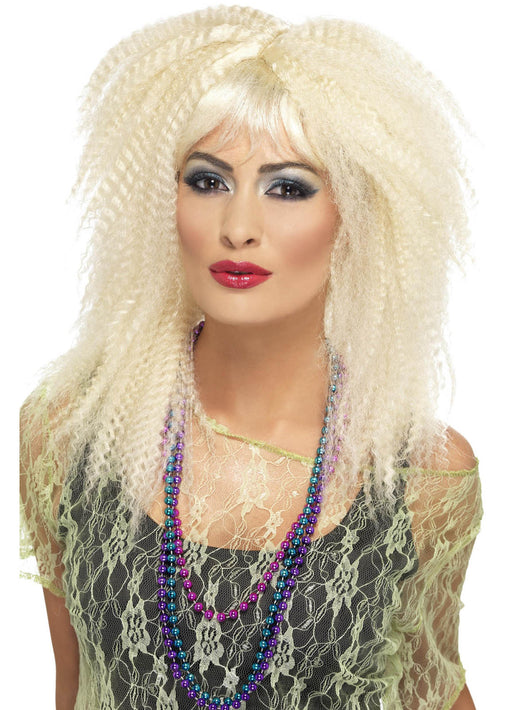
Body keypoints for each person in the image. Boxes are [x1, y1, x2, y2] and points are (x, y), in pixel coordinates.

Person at [19, 6, 482, 709]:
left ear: (356, 217)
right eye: (207, 181)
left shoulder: (422, 476)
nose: (238, 227)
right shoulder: (64, 433)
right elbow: (74, 688)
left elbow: (435, 688)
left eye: (288, 187)